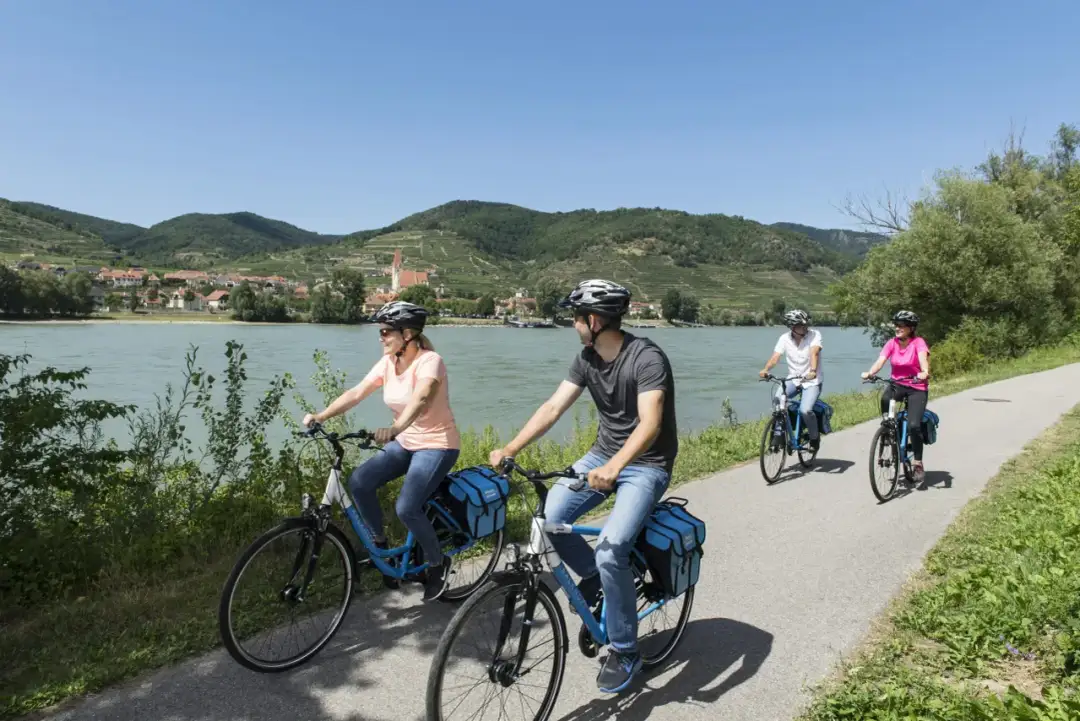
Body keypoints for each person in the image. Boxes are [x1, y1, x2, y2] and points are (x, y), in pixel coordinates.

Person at [489, 279, 678, 695]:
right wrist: (511, 448)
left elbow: (651, 424)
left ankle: (626, 649)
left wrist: (615, 466)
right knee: (551, 520)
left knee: (612, 548)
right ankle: (596, 583)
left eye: (575, 317)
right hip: (601, 457)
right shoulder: (586, 358)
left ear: (595, 320)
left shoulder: (647, 358)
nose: (572, 324)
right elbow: (554, 407)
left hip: (645, 465)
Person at [303, 301, 460, 601]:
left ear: (408, 334)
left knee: (406, 508)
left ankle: (438, 563)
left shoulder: (430, 361)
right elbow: (357, 392)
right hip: (406, 442)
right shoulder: (388, 363)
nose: (381, 337)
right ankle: (381, 548)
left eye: (387, 331)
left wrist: (396, 428)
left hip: (438, 444)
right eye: (381, 332)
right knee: (360, 482)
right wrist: (321, 415)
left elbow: (422, 398)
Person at [861, 310, 931, 486]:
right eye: (896, 325)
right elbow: (880, 360)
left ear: (911, 328)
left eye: (901, 326)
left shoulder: (918, 342)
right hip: (897, 384)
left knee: (914, 426)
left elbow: (923, 360)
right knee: (885, 398)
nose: (897, 328)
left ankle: (918, 463)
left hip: (916, 387)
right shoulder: (892, 343)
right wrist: (871, 372)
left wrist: (924, 372)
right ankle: (888, 429)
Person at [759, 309, 823, 451]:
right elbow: (775, 357)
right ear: (793, 327)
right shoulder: (784, 338)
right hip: (793, 379)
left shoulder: (814, 335)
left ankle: (814, 438)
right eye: (802, 325)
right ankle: (778, 435)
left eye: (806, 324)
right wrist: (766, 369)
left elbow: (814, 352)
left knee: (805, 410)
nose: (806, 327)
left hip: (812, 381)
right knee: (777, 401)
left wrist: (812, 371)